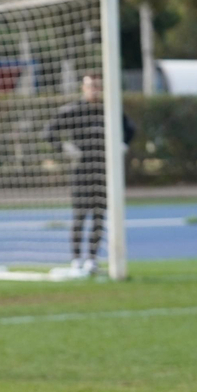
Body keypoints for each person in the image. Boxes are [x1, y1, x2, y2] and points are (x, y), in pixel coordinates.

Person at [43, 72, 134, 275]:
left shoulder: (109, 110)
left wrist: (123, 145)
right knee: (80, 215)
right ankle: (76, 260)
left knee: (99, 216)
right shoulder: (74, 110)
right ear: (83, 88)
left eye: (98, 86)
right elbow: (49, 132)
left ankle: (92, 259)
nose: (94, 89)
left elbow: (130, 129)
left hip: (103, 169)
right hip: (81, 169)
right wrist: (64, 148)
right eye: (90, 85)